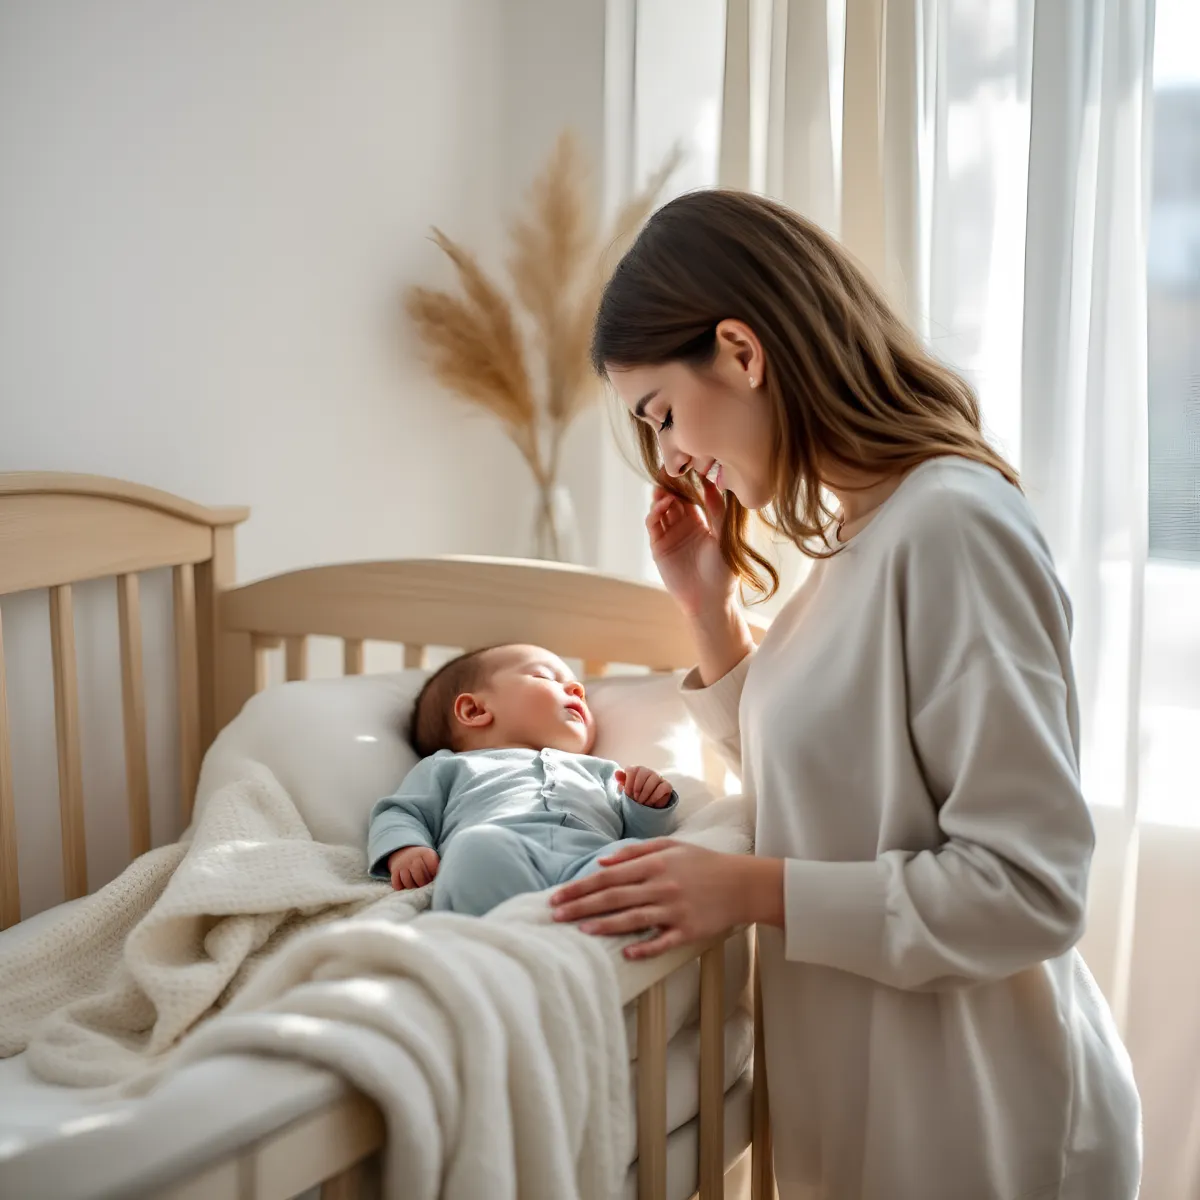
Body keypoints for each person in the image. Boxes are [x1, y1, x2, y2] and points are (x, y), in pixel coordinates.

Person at [549, 190, 1142, 1199]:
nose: (673, 457)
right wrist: (707, 610)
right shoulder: (861, 536)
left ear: (741, 350)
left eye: (663, 414)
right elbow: (835, 787)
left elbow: (1032, 887)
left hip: (986, 1123)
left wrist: (747, 889)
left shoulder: (950, 527)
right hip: (875, 1111)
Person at [367, 643, 678, 915]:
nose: (577, 690)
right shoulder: (448, 766)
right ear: (475, 710)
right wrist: (407, 849)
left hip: (590, 862)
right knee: (476, 847)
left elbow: (638, 836)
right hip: (501, 858)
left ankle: (574, 934)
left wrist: (645, 805)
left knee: (643, 863)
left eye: (578, 687)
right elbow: (400, 813)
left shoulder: (603, 770)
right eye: (545, 677)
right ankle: (504, 935)